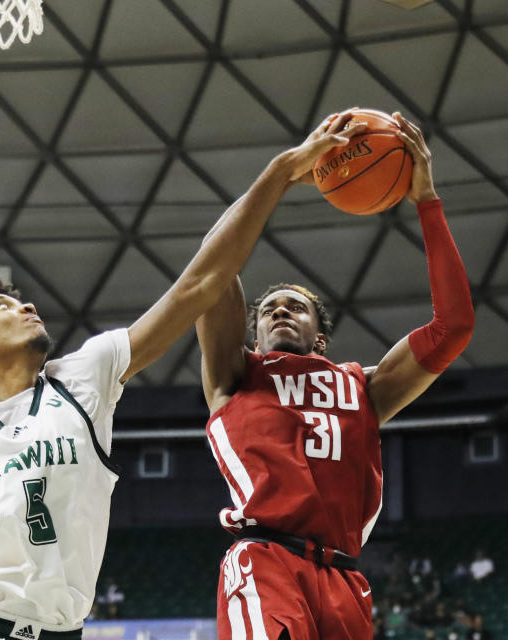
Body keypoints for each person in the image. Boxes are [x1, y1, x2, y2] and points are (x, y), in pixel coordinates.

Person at [0, 113, 371, 639]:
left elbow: (200, 285)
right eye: (3, 305)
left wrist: (279, 174)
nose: (25, 304)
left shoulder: (81, 379)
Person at [196, 113, 474, 639]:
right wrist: (281, 174)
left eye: (294, 307)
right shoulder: (236, 375)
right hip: (266, 561)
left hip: (345, 580)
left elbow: (453, 327)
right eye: (269, 309)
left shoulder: (363, 387)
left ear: (320, 339)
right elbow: (213, 267)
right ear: (253, 337)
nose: (279, 311)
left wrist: (426, 202)